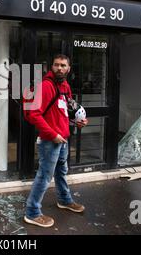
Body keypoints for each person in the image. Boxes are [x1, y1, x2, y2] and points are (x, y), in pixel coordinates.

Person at [24, 54, 88, 228]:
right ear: (51, 67)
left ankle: (64, 200)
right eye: (56, 65)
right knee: (44, 176)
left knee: (61, 172)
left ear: (69, 68)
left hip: (63, 139)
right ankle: (32, 212)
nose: (59, 68)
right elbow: (34, 114)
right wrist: (52, 135)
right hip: (50, 141)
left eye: (63, 65)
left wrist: (77, 121)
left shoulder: (65, 87)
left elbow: (64, 112)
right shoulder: (46, 86)